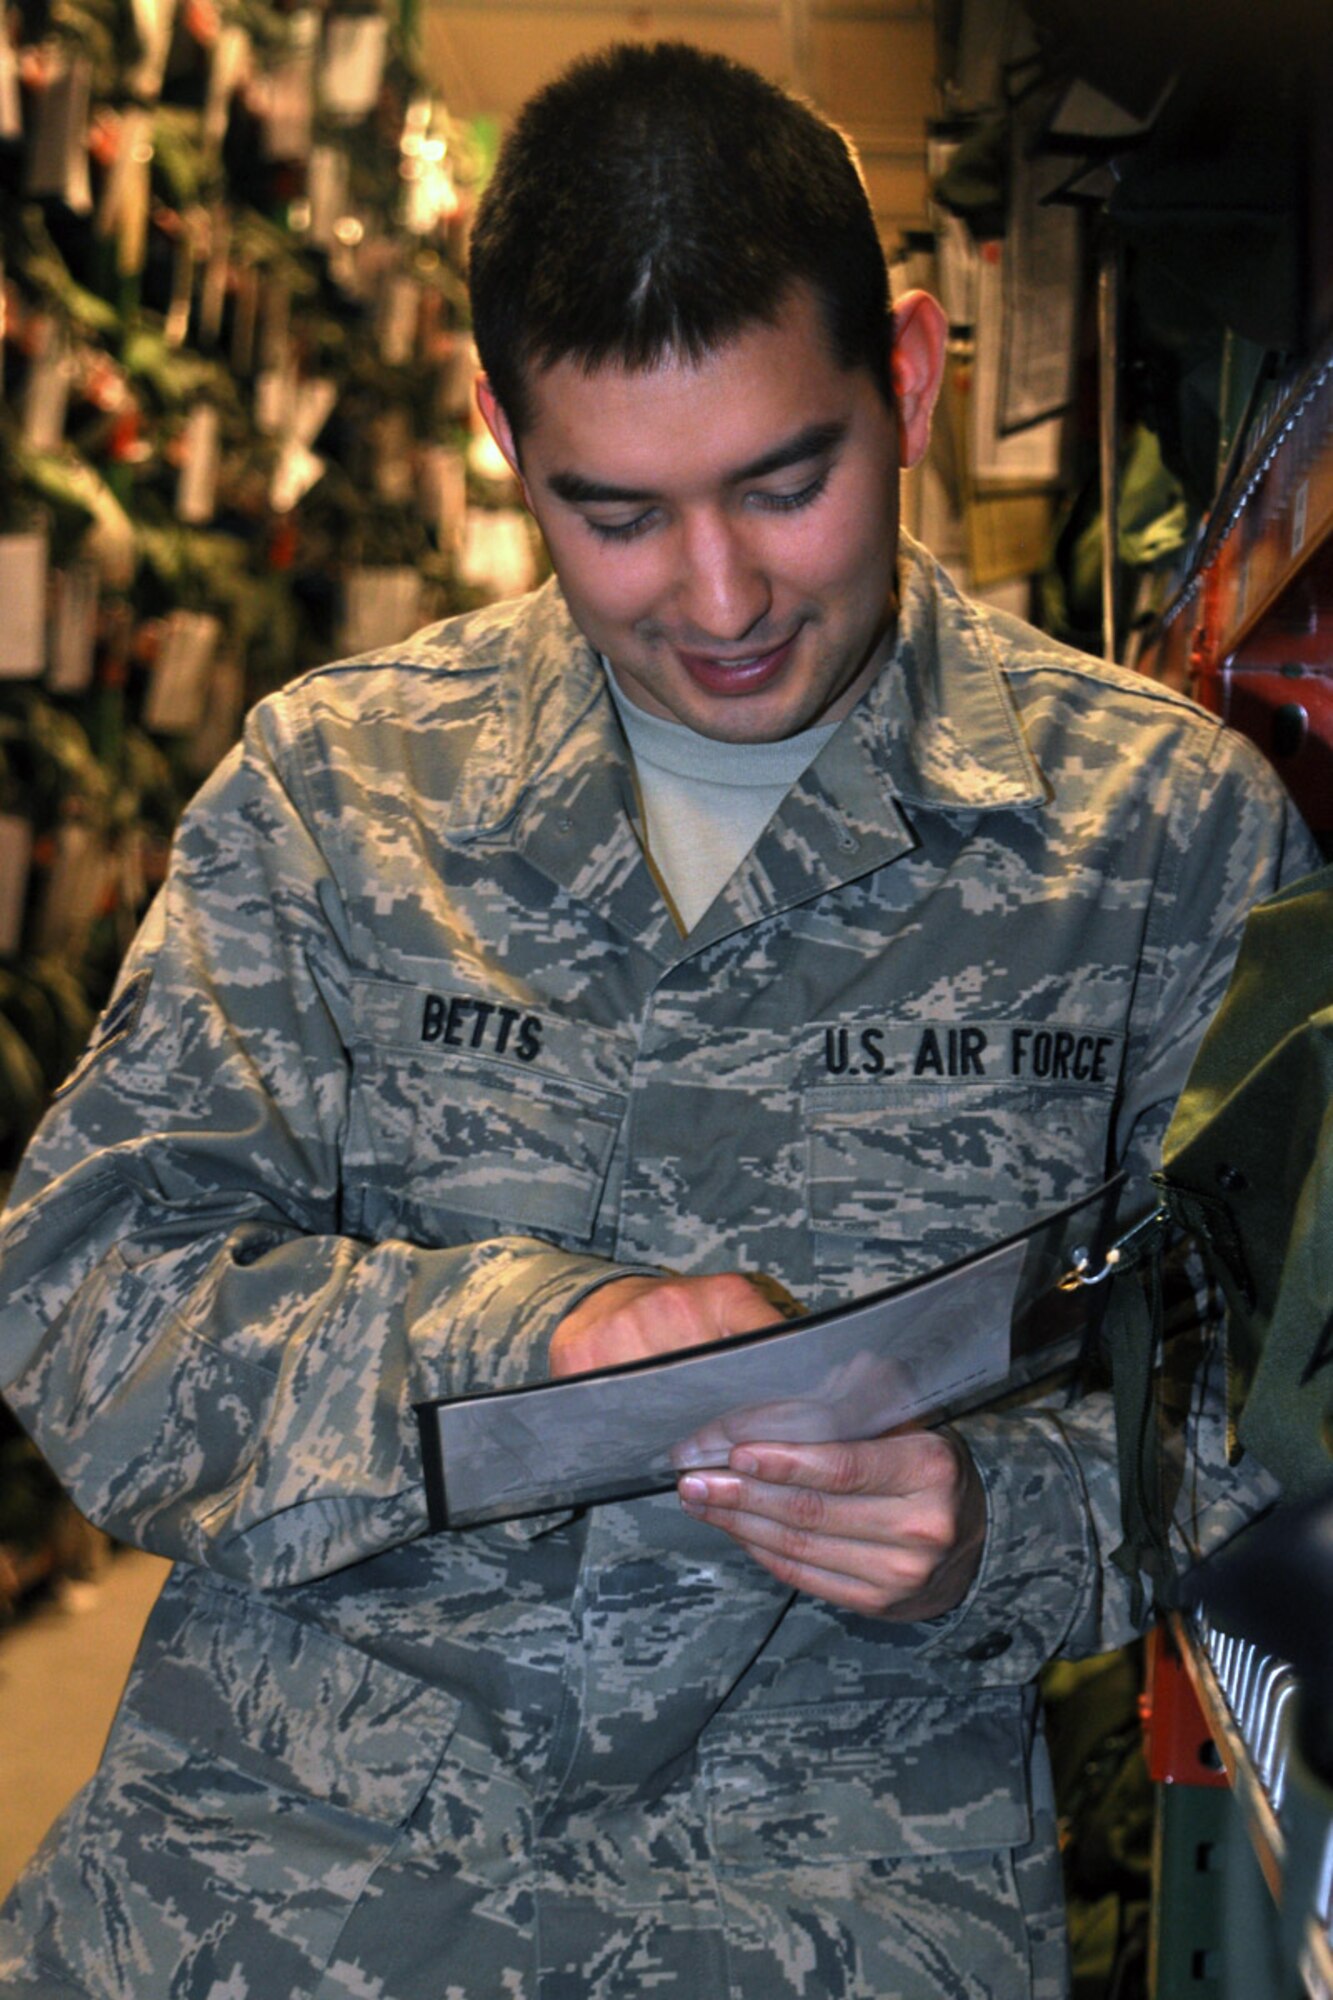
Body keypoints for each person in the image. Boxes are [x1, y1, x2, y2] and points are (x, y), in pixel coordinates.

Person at [0, 39, 1317, 2000]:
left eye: (786, 484)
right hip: (266, 1892)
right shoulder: (340, 792)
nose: (718, 595)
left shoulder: (1159, 831)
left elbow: (1262, 1437)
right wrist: (534, 1335)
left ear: (915, 374)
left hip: (833, 1907)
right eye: (615, 515)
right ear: (500, 438)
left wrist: (994, 1522)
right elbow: (80, 1299)